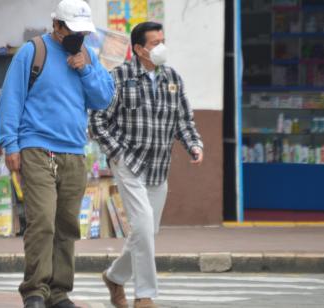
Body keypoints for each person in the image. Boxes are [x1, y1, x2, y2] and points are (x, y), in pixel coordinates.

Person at [0, 0, 114, 307]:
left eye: (83, 32)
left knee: (66, 225)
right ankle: (35, 290)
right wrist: (10, 144)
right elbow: (11, 98)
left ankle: (59, 293)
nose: (79, 37)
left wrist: (85, 68)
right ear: (57, 26)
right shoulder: (32, 52)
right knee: (43, 221)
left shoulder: (87, 56)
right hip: (36, 148)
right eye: (73, 31)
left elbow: (103, 99)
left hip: (74, 152)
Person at [89, 21, 204, 308]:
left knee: (147, 233)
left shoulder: (172, 78)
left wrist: (193, 144)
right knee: (141, 229)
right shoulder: (118, 77)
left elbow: (183, 121)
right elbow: (97, 121)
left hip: (158, 166)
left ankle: (114, 277)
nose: (161, 47)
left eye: (163, 40)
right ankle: (145, 296)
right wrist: (117, 153)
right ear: (138, 49)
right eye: (155, 43)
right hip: (129, 163)